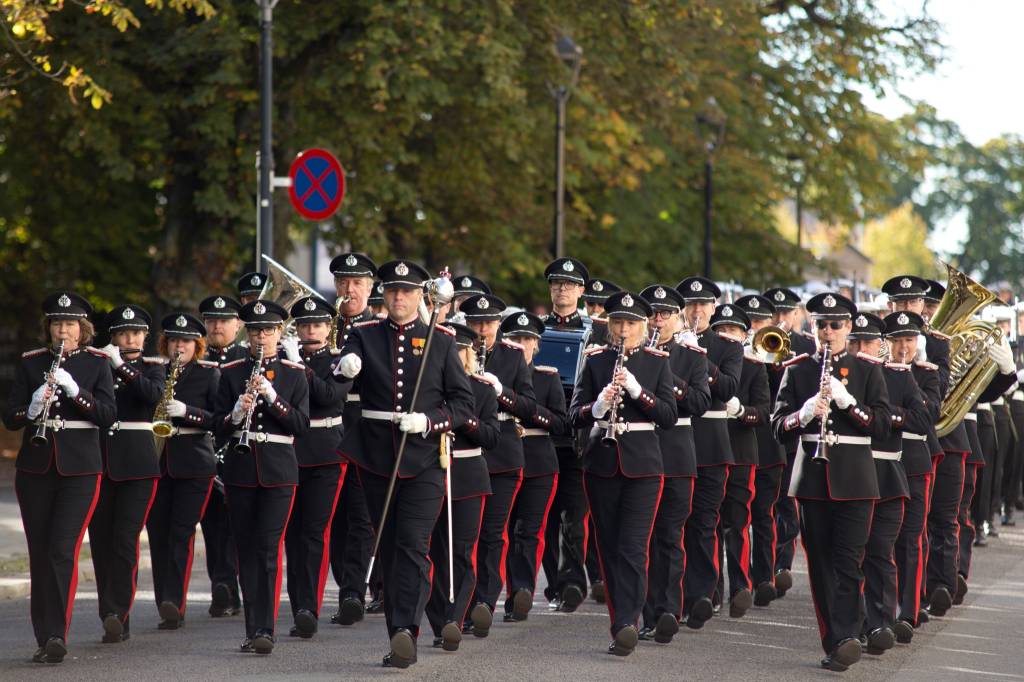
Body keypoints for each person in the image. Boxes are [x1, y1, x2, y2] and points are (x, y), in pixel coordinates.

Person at [333, 260, 474, 668]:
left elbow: (463, 405)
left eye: (407, 292)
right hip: (377, 456)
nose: (398, 298)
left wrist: (430, 421)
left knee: (413, 543)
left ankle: (405, 631)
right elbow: (341, 378)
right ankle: (399, 624)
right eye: (392, 291)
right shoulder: (363, 334)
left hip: (425, 457)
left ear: (419, 297)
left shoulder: (441, 341)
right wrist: (344, 369)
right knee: (391, 547)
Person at [771, 292, 889, 672]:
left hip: (855, 478)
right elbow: (778, 426)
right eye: (821, 324)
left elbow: (883, 425)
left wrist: (847, 403)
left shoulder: (869, 370)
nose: (828, 331)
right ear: (812, 326)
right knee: (821, 564)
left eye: (835, 324)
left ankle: (849, 635)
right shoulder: (799, 369)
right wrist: (803, 414)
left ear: (849, 328)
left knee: (849, 560)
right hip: (813, 480)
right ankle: (835, 638)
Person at [3, 292, 115, 663]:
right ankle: (43, 635)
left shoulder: (97, 363)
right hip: (35, 467)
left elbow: (106, 416)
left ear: (82, 329)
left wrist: (75, 391)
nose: (62, 330)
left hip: (80, 468)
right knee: (39, 553)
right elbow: (11, 416)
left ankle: (56, 633)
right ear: (49, 327)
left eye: (69, 324)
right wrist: (32, 406)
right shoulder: (32, 363)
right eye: (56, 323)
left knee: (61, 549)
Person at [569, 291, 677, 656]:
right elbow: (574, 414)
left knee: (633, 546)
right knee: (610, 547)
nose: (623, 328)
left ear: (643, 325)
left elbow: (668, 415)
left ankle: (628, 621)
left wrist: (636, 391)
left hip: (644, 465)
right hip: (601, 462)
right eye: (617, 322)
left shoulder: (657, 361)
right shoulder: (595, 360)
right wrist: (598, 405)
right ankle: (621, 621)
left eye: (631, 323)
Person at [215, 299, 310, 654]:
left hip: (278, 471)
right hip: (241, 471)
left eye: (267, 331)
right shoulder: (230, 372)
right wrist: (236, 414)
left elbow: (300, 426)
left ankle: (265, 629)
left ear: (278, 333)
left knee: (268, 549)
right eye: (255, 330)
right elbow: (218, 427)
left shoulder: (295, 374)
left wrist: (272, 397)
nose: (260, 337)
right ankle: (251, 626)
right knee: (246, 550)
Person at [460, 293, 536, 636]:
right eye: (475, 323)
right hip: (464, 449)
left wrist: (500, 391)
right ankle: (460, 601)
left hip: (502, 449)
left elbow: (529, 408)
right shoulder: (454, 351)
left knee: (492, 532)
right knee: (464, 534)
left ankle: (484, 602)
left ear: (498, 325)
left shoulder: (513, 356)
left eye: (488, 323)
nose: (481, 330)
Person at [638, 284, 710, 643]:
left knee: (669, 535)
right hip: (639, 452)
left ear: (677, 317)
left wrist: (666, 375)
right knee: (641, 538)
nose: (658, 319)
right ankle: (645, 613)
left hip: (677, 454)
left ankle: (667, 609)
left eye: (666, 313)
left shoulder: (692, 356)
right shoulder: (633, 353)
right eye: (652, 312)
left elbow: (699, 402)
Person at [846, 312, 921, 656]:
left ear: (882, 345)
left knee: (880, 551)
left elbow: (921, 419)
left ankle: (879, 623)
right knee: (851, 554)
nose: (863, 349)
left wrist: (880, 415)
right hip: (850, 475)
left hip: (888, 475)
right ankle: (853, 625)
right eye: (856, 342)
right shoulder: (839, 374)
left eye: (870, 342)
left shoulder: (900, 378)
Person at [89, 305, 164, 644]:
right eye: (123, 333)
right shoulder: (95, 366)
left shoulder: (153, 369)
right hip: (101, 460)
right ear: (113, 337)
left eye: (136, 333)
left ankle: (119, 611)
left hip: (137, 464)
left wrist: (120, 366)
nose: (130, 338)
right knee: (102, 540)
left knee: (125, 539)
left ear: (145, 337)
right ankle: (110, 612)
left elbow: (153, 397)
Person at [424, 321, 499, 651]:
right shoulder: (427, 390)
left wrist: (462, 417)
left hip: (468, 471)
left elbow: (492, 437)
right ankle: (439, 620)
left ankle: (455, 618)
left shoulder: (481, 389)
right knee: (431, 551)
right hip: (429, 470)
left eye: (459, 353)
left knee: (461, 551)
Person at [145, 313, 219, 634]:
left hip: (194, 462)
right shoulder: (154, 371)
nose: (179, 346)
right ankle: (165, 601)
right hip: (157, 461)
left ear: (197, 345)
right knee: (158, 534)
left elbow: (219, 418)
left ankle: (176, 600)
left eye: (186, 342)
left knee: (181, 533)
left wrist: (188, 412)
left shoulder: (209, 374)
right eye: (174, 340)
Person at [677, 276, 742, 629]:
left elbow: (729, 387)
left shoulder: (727, 347)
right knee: (676, 522)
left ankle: (702, 594)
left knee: (704, 522)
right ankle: (680, 594)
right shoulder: (669, 345)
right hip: (675, 442)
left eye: (703, 304)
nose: (696, 310)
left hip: (711, 445)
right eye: (690, 304)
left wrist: (699, 357)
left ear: (714, 309)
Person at [283, 296, 350, 639]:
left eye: (317, 325)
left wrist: (297, 365)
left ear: (328, 329)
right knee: (292, 535)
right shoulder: (281, 359)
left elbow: (327, 396)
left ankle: (309, 606)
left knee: (313, 532)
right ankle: (298, 608)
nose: (310, 330)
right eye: (305, 325)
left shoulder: (342, 361)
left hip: (325, 453)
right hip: (288, 453)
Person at [501, 311, 568, 623]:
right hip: (501, 458)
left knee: (530, 530)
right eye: (516, 339)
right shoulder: (494, 375)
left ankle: (522, 590)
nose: (523, 344)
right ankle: (498, 591)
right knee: (501, 531)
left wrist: (527, 411)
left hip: (538, 460)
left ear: (538, 345)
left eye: (529, 339)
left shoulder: (546, 376)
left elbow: (559, 422)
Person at [540, 257, 599, 610]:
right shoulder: (534, 328)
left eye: (569, 284)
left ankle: (574, 581)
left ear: (580, 290)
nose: (562, 289)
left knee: (574, 517)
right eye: (556, 283)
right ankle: (555, 583)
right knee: (542, 519)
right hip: (543, 434)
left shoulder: (598, 332)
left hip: (578, 436)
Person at [327, 253, 380, 626]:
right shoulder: (318, 326)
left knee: (363, 516)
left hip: (365, 429)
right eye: (344, 282)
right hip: (327, 431)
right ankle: (346, 584)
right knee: (334, 517)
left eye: (357, 283)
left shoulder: (377, 330)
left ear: (370, 288)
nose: (349, 290)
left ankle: (354, 591)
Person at [886, 311, 941, 643]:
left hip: (916, 459)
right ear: (887, 343)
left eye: (909, 339)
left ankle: (908, 610)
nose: (903, 347)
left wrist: (891, 413)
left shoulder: (927, 374)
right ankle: (883, 606)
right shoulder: (876, 371)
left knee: (912, 536)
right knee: (882, 538)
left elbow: (928, 416)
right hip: (883, 461)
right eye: (897, 340)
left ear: (917, 341)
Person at [715, 303, 767, 619]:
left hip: (740, 452)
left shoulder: (753, 366)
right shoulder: (702, 361)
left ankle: (739, 587)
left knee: (737, 522)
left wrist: (739, 410)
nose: (727, 336)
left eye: (733, 331)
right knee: (706, 523)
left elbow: (762, 412)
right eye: (721, 330)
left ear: (744, 336)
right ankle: (709, 589)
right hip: (707, 451)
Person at [763, 286, 815, 598]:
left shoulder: (807, 346)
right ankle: (768, 567)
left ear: (797, 314)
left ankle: (781, 565)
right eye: (777, 313)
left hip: (794, 433)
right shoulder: (760, 343)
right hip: (766, 432)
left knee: (787, 504)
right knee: (766, 504)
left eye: (787, 312)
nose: (782, 318)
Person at [736, 294, 787, 606]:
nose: (756, 328)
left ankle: (764, 577)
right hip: (739, 445)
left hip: (768, 447)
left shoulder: (779, 354)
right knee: (737, 516)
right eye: (750, 322)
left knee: (764, 515)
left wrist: (772, 361)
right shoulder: (731, 356)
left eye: (761, 322)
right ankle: (740, 580)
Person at [198, 294, 245, 618]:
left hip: (238, 450)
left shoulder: (246, 359)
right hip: (202, 451)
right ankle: (222, 585)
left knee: (238, 525)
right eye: (211, 320)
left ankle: (233, 584)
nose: (216, 325)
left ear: (238, 324)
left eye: (224, 320)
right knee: (212, 524)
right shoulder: (195, 362)